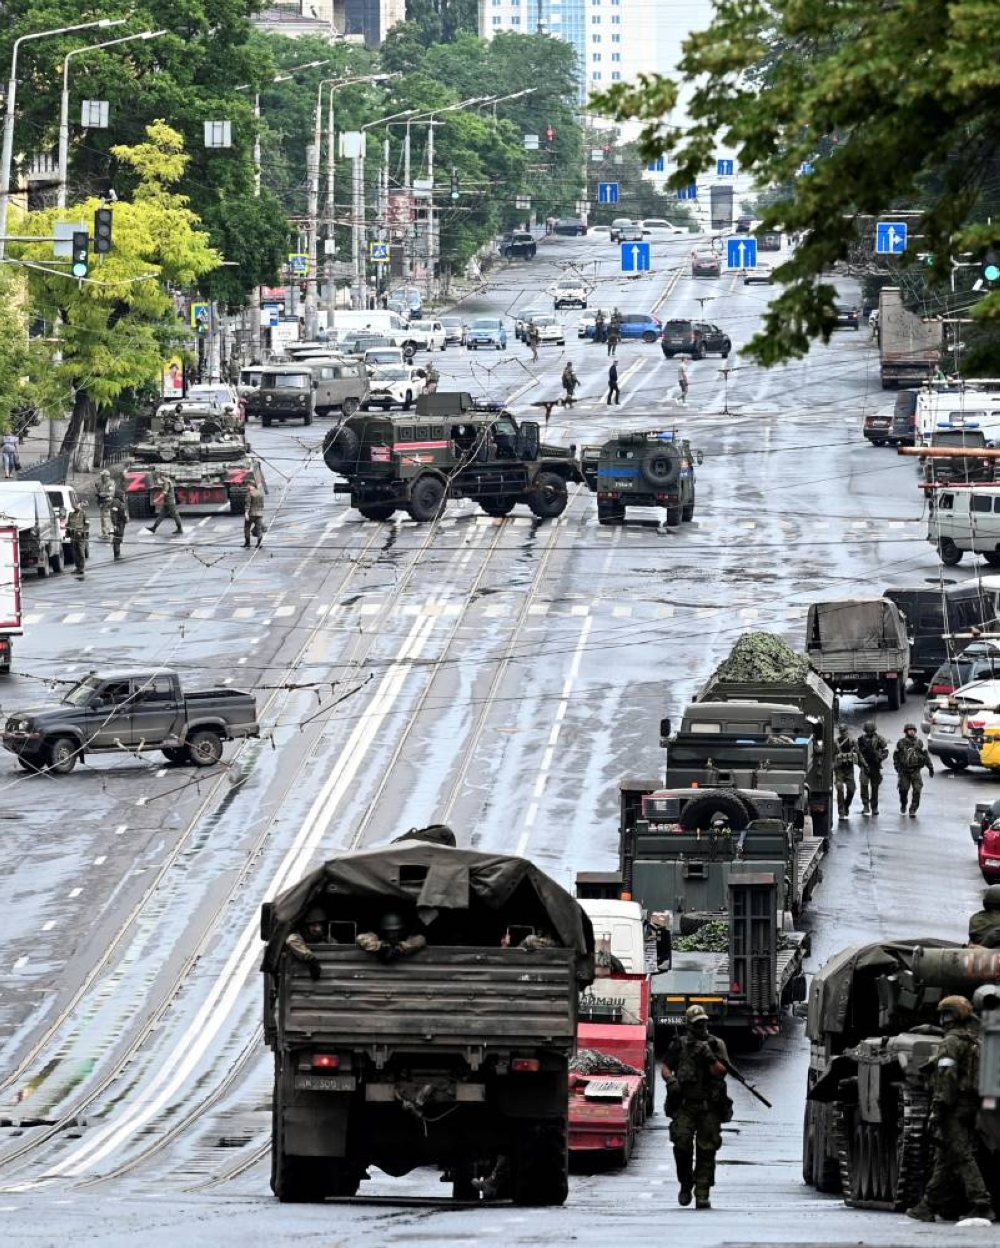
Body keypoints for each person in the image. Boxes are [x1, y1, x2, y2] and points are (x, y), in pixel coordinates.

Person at [906, 996, 995, 1224]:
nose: (942, 1019)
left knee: (961, 1154)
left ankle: (981, 1202)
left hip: (954, 1106)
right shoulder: (973, 1039)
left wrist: (938, 1107)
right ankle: (927, 1205)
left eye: (944, 1014)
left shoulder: (950, 1042)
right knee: (946, 1157)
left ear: (949, 1016)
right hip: (971, 1104)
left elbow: (947, 1078)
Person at [662, 1004, 733, 1210]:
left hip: (708, 1106)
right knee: (682, 1145)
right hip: (684, 1105)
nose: (701, 1026)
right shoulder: (679, 1044)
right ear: (689, 1025)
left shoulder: (715, 1044)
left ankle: (702, 1192)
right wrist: (671, 1080)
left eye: (703, 1022)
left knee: (707, 1149)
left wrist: (709, 1056)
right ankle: (685, 1183)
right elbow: (666, 1066)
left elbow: (722, 1072)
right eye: (696, 1024)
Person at [893, 722, 933, 816]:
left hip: (915, 771)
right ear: (906, 731)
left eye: (913, 730)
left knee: (917, 790)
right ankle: (903, 804)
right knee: (903, 790)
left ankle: (913, 809)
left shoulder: (919, 743)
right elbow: (896, 756)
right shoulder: (901, 743)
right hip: (904, 771)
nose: (911, 732)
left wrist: (930, 767)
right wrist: (897, 767)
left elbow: (925, 755)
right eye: (909, 730)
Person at [356, 912, 426, 963]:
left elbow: (421, 939)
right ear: (383, 930)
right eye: (389, 931)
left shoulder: (407, 937)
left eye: (395, 931)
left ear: (401, 930)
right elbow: (361, 938)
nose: (392, 934)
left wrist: (400, 948)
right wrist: (380, 946)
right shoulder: (376, 937)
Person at [285, 906, 328, 980]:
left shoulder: (328, 938)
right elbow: (291, 940)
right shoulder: (299, 937)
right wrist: (310, 958)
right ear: (306, 927)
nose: (318, 929)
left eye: (320, 925)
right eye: (313, 925)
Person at [856, 720, 889, 816]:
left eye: (871, 730)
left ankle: (874, 807)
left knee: (875, 787)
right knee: (864, 785)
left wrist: (880, 758)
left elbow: (886, 751)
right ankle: (865, 806)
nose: (869, 732)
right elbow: (856, 752)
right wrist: (860, 761)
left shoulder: (879, 739)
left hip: (875, 766)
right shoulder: (861, 739)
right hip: (865, 765)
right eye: (868, 730)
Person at [833, 724, 857, 822]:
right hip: (839, 770)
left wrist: (864, 765)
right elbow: (831, 755)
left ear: (847, 731)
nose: (844, 733)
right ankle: (841, 812)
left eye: (845, 731)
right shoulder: (835, 743)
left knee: (852, 790)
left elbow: (858, 754)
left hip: (849, 770)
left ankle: (846, 805)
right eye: (842, 731)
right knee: (840, 790)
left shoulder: (852, 742)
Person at [66, 500, 89, 577]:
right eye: (74, 506)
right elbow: (68, 524)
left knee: (81, 552)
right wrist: (67, 533)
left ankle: (81, 568)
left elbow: (87, 525)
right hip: (73, 537)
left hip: (81, 537)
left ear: (79, 505)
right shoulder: (71, 514)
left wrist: (81, 531)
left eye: (76, 505)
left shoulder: (83, 513)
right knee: (75, 553)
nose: (75, 507)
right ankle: (77, 567)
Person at [243, 482, 265, 549]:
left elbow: (248, 504)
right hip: (259, 514)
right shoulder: (260, 493)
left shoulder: (249, 494)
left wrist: (246, 513)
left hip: (251, 514)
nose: (247, 487)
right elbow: (262, 505)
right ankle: (259, 543)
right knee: (259, 529)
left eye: (248, 486)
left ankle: (247, 543)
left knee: (247, 528)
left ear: (252, 486)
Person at [109, 487, 127, 562]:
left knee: (119, 537)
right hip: (118, 523)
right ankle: (116, 555)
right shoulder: (116, 502)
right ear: (119, 495)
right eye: (123, 495)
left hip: (121, 522)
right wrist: (115, 524)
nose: (124, 496)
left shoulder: (119, 501)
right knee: (117, 538)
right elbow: (113, 514)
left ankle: (118, 554)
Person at [96, 468, 114, 539]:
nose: (101, 477)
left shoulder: (111, 483)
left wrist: (101, 494)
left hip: (107, 502)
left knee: (105, 518)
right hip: (102, 502)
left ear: (107, 476)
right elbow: (99, 491)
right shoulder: (102, 483)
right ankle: (106, 532)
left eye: (103, 476)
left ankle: (106, 533)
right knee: (103, 518)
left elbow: (111, 493)